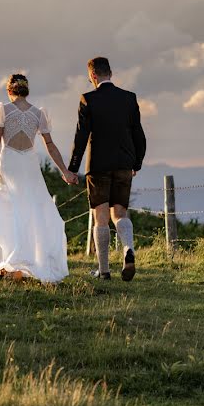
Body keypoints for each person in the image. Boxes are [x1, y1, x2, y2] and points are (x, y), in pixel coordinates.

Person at [0, 74, 73, 282]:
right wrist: (64, 171)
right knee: (33, 210)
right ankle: (23, 264)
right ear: (26, 90)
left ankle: (12, 263)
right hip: (30, 165)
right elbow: (50, 145)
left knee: (5, 211)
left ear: (9, 91)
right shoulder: (39, 114)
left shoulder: (3, 110)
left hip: (10, 164)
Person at [68, 57, 146, 281]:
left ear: (93, 76)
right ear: (110, 73)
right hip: (124, 163)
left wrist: (73, 167)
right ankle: (127, 248)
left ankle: (104, 271)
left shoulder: (88, 99)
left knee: (100, 217)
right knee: (120, 213)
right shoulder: (129, 98)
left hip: (99, 165)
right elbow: (138, 134)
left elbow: (81, 135)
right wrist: (137, 162)